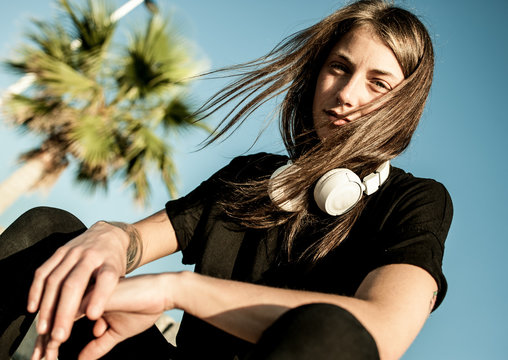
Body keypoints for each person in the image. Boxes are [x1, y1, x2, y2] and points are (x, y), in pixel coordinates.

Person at [0, 1, 453, 359]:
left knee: (330, 330)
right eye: (339, 67)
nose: (347, 94)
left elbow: (379, 333)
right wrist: (113, 240)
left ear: (404, 104)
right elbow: (139, 238)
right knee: (48, 231)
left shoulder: (414, 201)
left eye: (378, 83)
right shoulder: (251, 176)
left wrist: (176, 290)